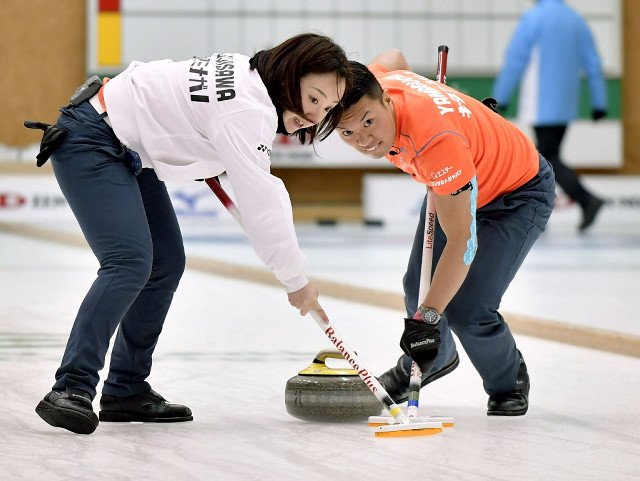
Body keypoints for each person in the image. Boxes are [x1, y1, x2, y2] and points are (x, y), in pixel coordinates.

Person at [25, 33, 351, 435]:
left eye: (328, 107)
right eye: (314, 98)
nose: (316, 116)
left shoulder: (249, 78)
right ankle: (71, 387)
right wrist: (295, 280)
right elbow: (263, 201)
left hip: (127, 146)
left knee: (165, 263)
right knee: (129, 263)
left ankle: (125, 387)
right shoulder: (249, 110)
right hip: (92, 139)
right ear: (288, 74)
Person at [337, 51, 556, 416]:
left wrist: (428, 319)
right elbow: (393, 58)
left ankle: (508, 381)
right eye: (347, 132)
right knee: (418, 287)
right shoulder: (371, 83)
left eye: (369, 122)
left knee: (470, 307)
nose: (362, 139)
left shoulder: (435, 145)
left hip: (516, 194)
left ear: (386, 101)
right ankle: (432, 358)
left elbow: (463, 241)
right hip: (456, 180)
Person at [492, 0, 607, 232]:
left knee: (544, 160)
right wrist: (599, 101)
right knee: (547, 157)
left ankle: (584, 200)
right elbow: (593, 63)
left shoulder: (534, 18)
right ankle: (546, 210)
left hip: (541, 102)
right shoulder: (576, 19)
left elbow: (515, 60)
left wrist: (499, 97)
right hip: (566, 103)